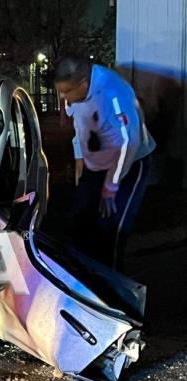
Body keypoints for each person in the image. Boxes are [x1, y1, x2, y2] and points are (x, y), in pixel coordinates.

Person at [54, 57, 156, 270]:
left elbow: (128, 144)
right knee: (79, 218)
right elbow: (80, 124)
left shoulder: (112, 95)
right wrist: (80, 158)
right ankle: (79, 276)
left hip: (130, 162)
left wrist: (110, 187)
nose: (63, 98)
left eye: (66, 92)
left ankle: (111, 286)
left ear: (83, 84)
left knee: (110, 228)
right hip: (98, 161)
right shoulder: (77, 90)